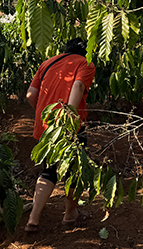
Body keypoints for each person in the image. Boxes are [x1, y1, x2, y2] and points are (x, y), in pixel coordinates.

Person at [24, 38, 95, 232]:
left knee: (48, 171)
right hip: (70, 126)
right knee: (74, 171)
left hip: (46, 128)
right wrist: (68, 119)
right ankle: (70, 215)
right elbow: (78, 87)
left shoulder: (47, 63)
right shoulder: (85, 63)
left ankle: (33, 218)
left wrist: (43, 115)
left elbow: (30, 95)